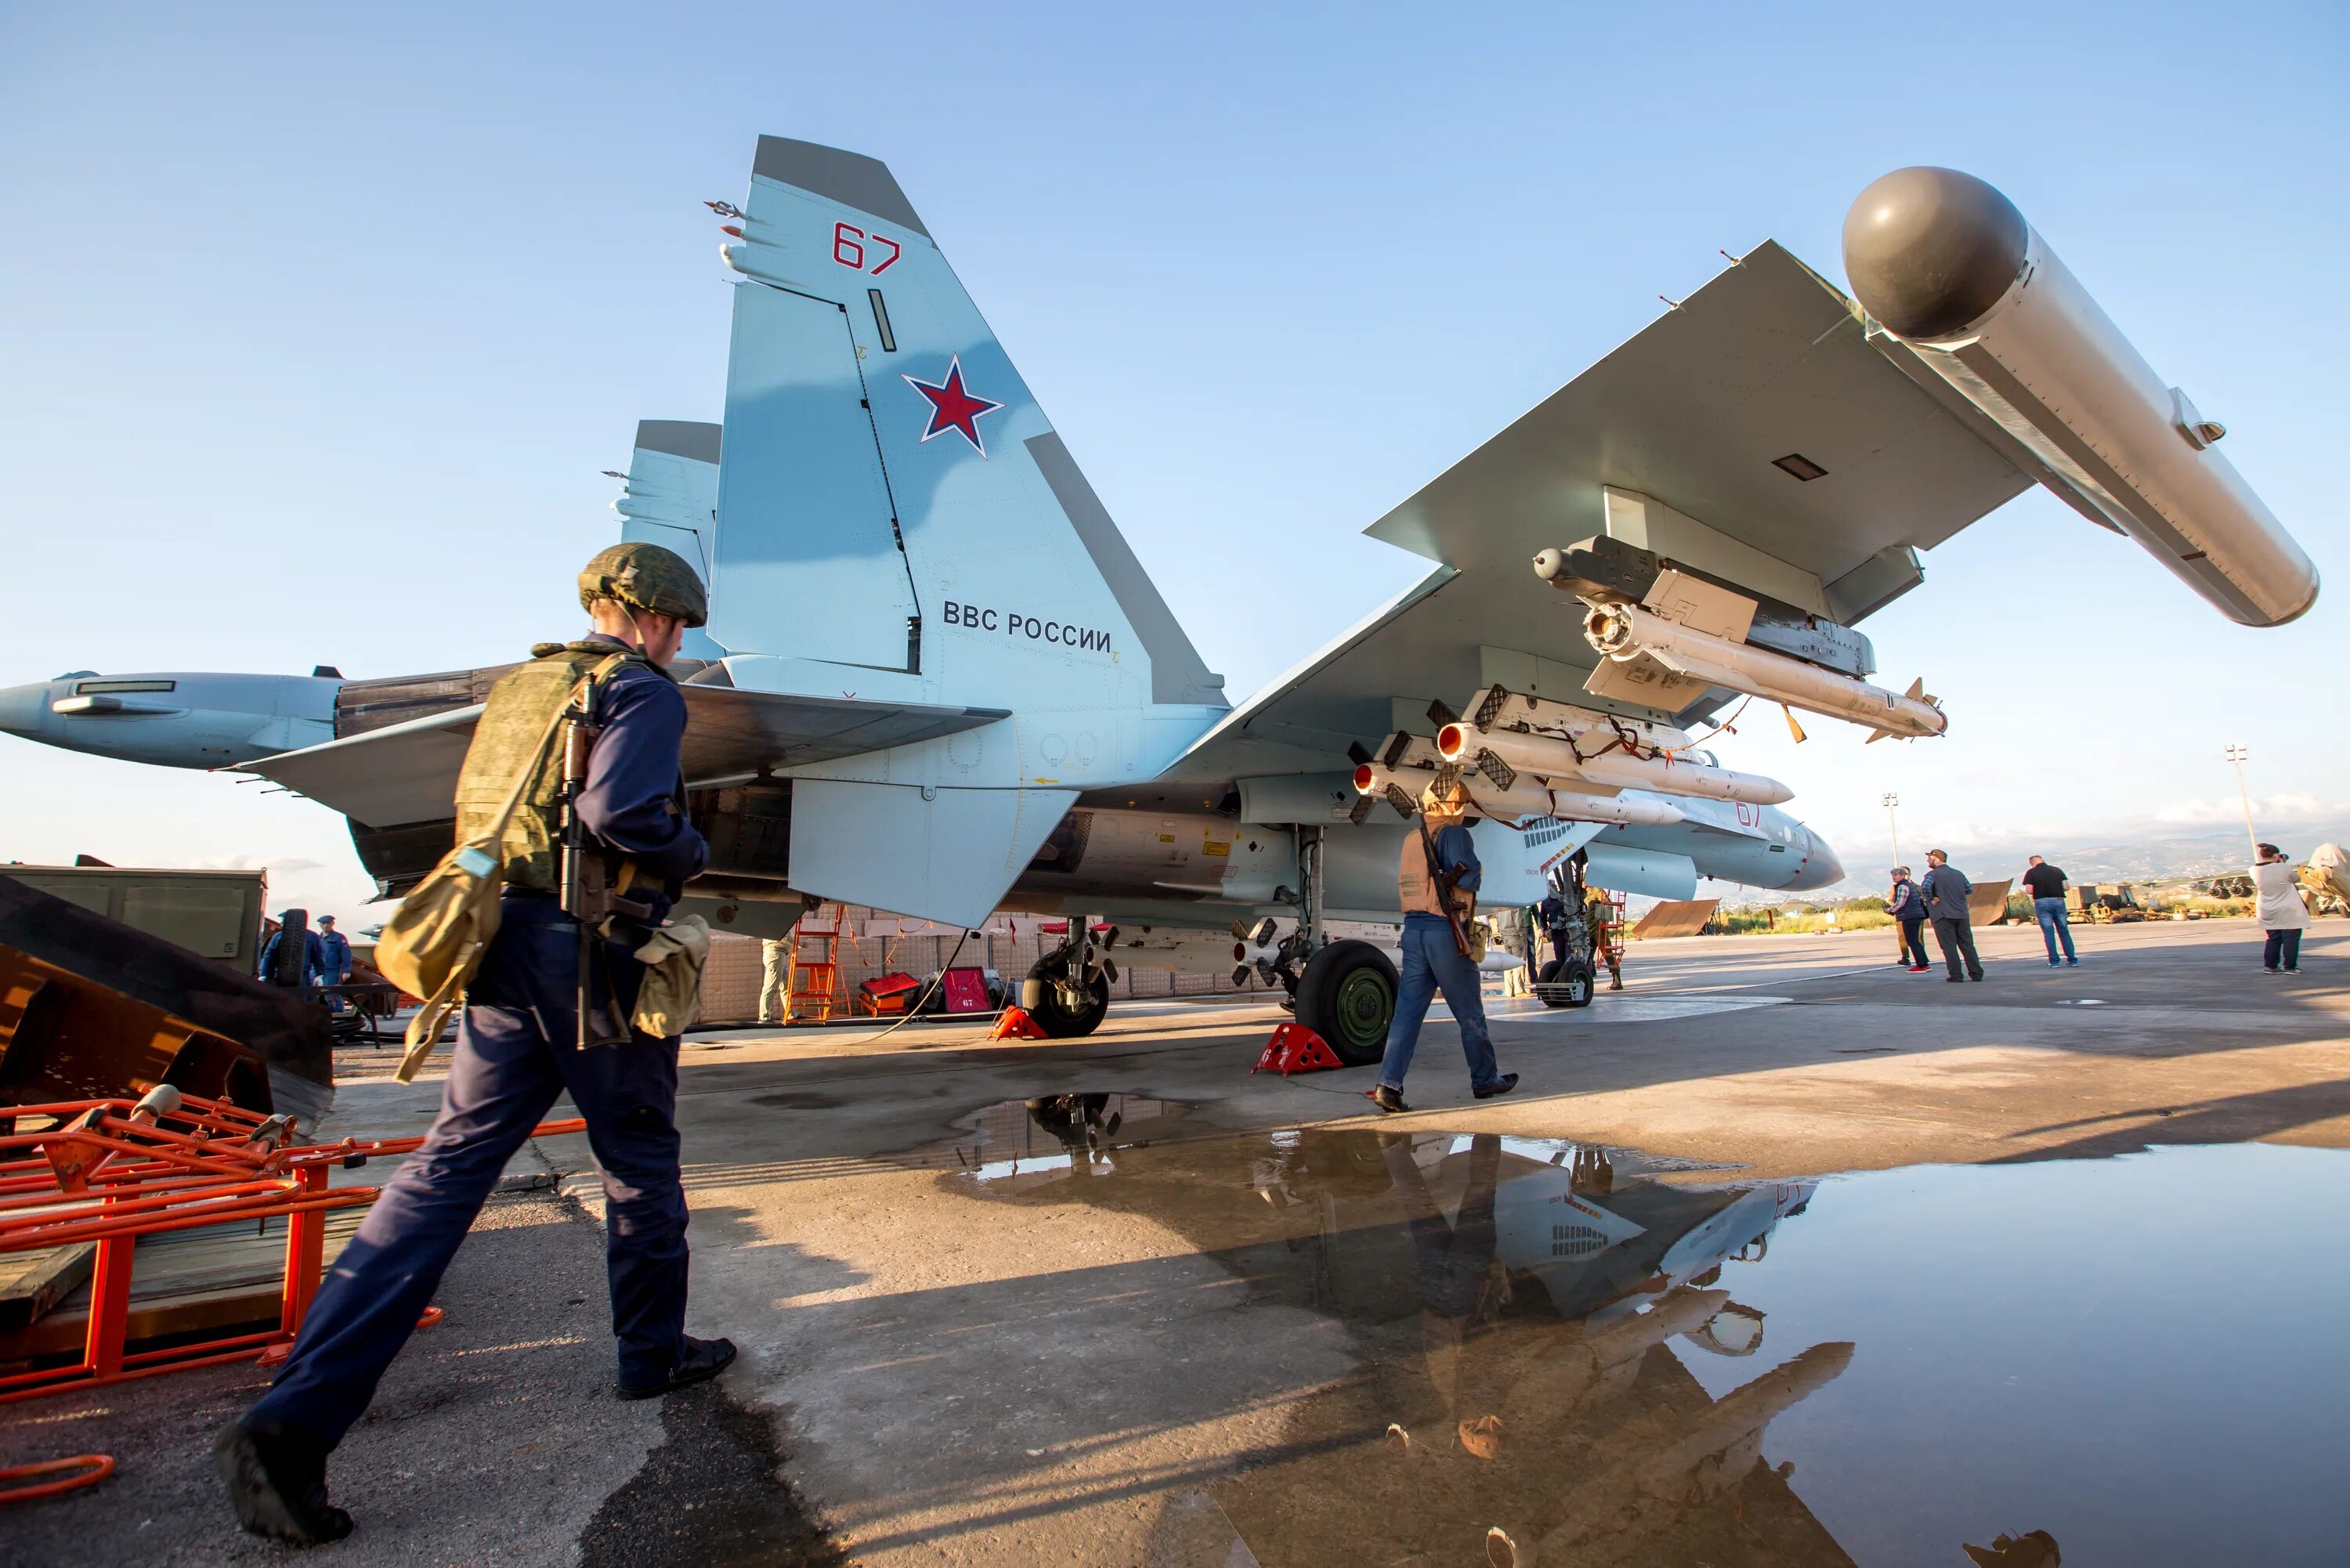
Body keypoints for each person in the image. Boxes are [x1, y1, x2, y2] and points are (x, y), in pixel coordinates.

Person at [217, 543, 728, 1545]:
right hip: (592, 954)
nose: (677, 638)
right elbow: (622, 813)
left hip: (502, 946)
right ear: (662, 616)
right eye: (678, 623)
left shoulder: (523, 687)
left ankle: (291, 1421)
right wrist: (692, 849)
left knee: (445, 1171)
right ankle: (650, 1353)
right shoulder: (642, 691)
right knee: (638, 1159)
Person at [1372, 779, 1516, 1112]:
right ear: (1448, 805)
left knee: (1407, 1014)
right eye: (1460, 803)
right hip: (1444, 932)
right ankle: (1484, 1079)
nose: (1463, 809)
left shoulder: (1411, 838)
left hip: (1414, 932)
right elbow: (1469, 878)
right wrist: (1478, 871)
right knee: (1470, 1014)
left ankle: (1388, 1085)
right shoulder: (1454, 834)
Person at [1919, 849, 1983, 982]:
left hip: (1942, 914)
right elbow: (1968, 889)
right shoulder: (1958, 874)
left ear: (1936, 859)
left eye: (1929, 858)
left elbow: (1925, 888)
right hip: (1961, 913)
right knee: (1967, 945)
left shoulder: (1932, 875)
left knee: (1949, 946)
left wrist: (1931, 898)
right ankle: (1976, 973)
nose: (1928, 861)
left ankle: (1956, 975)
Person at [2252, 842, 2308, 974]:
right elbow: (2296, 878)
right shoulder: (2283, 868)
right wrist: (2282, 863)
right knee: (2291, 938)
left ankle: (2270, 966)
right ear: (2276, 855)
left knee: (2273, 938)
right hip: (2288, 909)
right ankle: (2290, 967)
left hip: (2267, 909)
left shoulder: (2253, 870)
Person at [2019, 855, 2077, 967]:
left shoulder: (2031, 872)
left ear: (2032, 863)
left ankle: (2054, 962)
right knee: (2064, 931)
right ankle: (2072, 960)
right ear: (2043, 860)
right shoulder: (2057, 870)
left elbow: (2029, 890)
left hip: (2042, 903)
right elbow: (2066, 887)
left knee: (2049, 933)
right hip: (2058, 902)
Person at [258, 914, 326, 988]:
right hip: (279, 975)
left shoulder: (312, 937)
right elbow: (269, 957)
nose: (281, 924)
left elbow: (318, 957)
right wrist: (264, 975)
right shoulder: (278, 936)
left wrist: (319, 975)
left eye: (284, 921)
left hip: (302, 975)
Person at [1885, 867, 1929, 971]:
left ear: (1902, 875)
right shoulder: (1909, 885)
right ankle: (1924, 963)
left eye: (1896, 875)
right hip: (1917, 915)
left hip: (1909, 916)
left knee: (1912, 941)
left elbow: (1900, 903)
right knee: (1916, 941)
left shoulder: (1902, 886)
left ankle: (1921, 965)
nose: (1894, 877)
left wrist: (1890, 910)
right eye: (1893, 875)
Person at [314, 915, 354, 1010]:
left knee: (332, 994)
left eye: (328, 923)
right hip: (317, 970)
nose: (326, 926)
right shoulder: (316, 938)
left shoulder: (339, 938)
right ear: (320, 925)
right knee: (312, 993)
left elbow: (346, 955)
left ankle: (339, 1014)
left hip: (332, 971)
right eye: (323, 923)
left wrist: (346, 971)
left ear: (333, 924)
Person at [759, 934, 790, 1023]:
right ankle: (764, 1016)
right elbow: (786, 937)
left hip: (779, 953)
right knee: (771, 986)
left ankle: (791, 1013)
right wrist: (801, 944)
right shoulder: (779, 923)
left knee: (785, 987)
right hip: (776, 953)